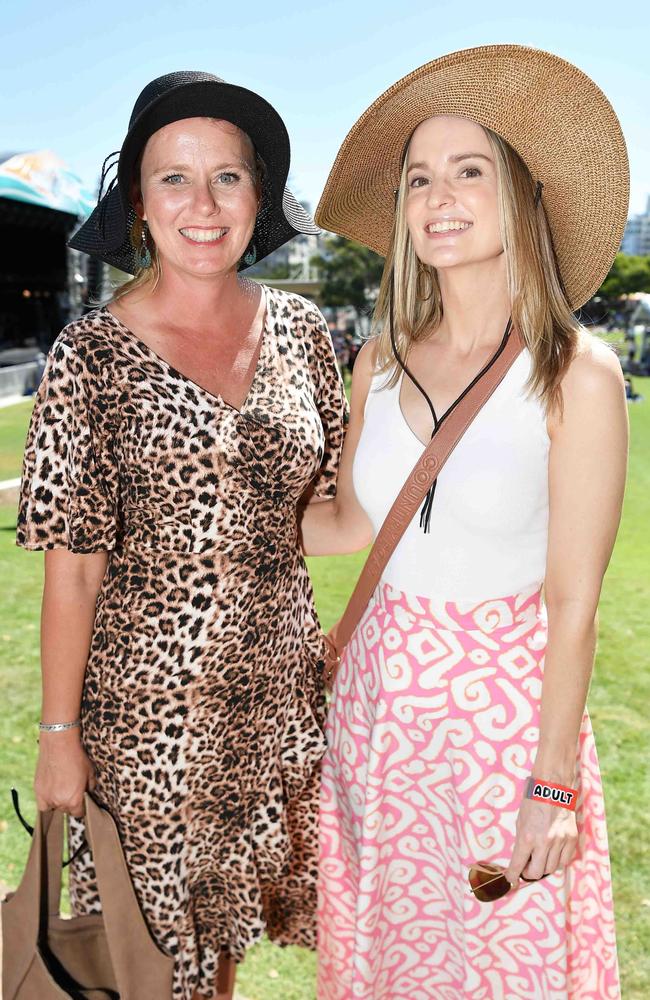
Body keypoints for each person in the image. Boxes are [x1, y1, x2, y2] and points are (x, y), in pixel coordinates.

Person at [300, 45, 628, 998]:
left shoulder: (579, 374)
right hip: (373, 723)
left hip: (502, 731)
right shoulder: (380, 359)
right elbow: (354, 522)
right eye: (418, 178)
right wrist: (214, 511)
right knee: (391, 966)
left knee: (502, 967)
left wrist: (554, 784)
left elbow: (573, 601)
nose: (438, 196)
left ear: (519, 194)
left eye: (468, 170)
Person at [17, 71, 347, 1000]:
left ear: (257, 198)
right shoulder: (90, 354)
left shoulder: (306, 332)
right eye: (174, 178)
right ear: (137, 204)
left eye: (228, 178)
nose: (202, 204)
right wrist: (56, 733)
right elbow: (72, 569)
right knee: (149, 968)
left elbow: (319, 518)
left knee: (225, 946)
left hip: (273, 711)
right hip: (143, 724)